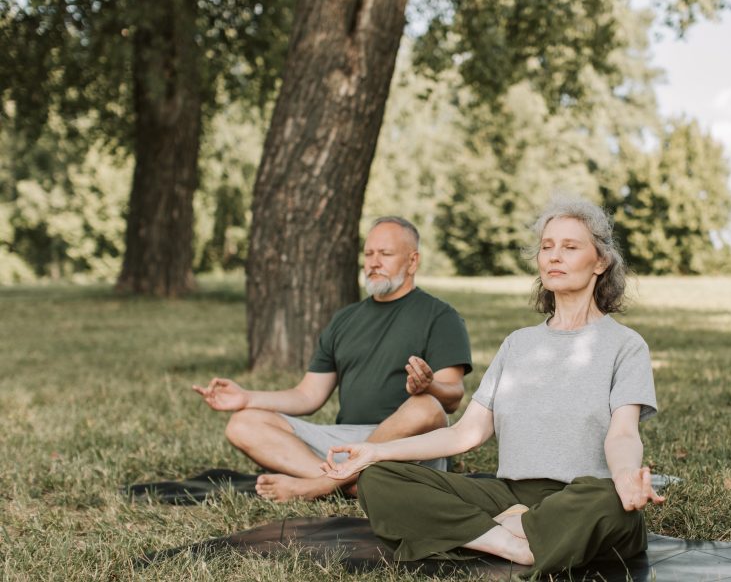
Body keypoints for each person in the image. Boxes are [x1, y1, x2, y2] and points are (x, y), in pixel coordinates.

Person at [323, 197, 662, 576]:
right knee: (380, 478)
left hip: (580, 497)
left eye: (570, 247)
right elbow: (465, 434)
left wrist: (626, 476)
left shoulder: (625, 345)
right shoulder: (518, 344)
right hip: (510, 496)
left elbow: (623, 435)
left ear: (600, 261)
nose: (554, 256)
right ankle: (512, 543)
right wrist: (374, 451)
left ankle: (486, 531)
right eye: (547, 247)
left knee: (612, 505)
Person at [192, 217, 472, 501]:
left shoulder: (440, 316)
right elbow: (308, 395)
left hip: (405, 444)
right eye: (368, 254)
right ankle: (349, 485)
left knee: (426, 406)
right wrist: (247, 398)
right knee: (243, 423)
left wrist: (430, 386)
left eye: (385, 254)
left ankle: (320, 486)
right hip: (346, 444)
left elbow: (451, 399)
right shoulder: (345, 319)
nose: (374, 263)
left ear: (412, 262)